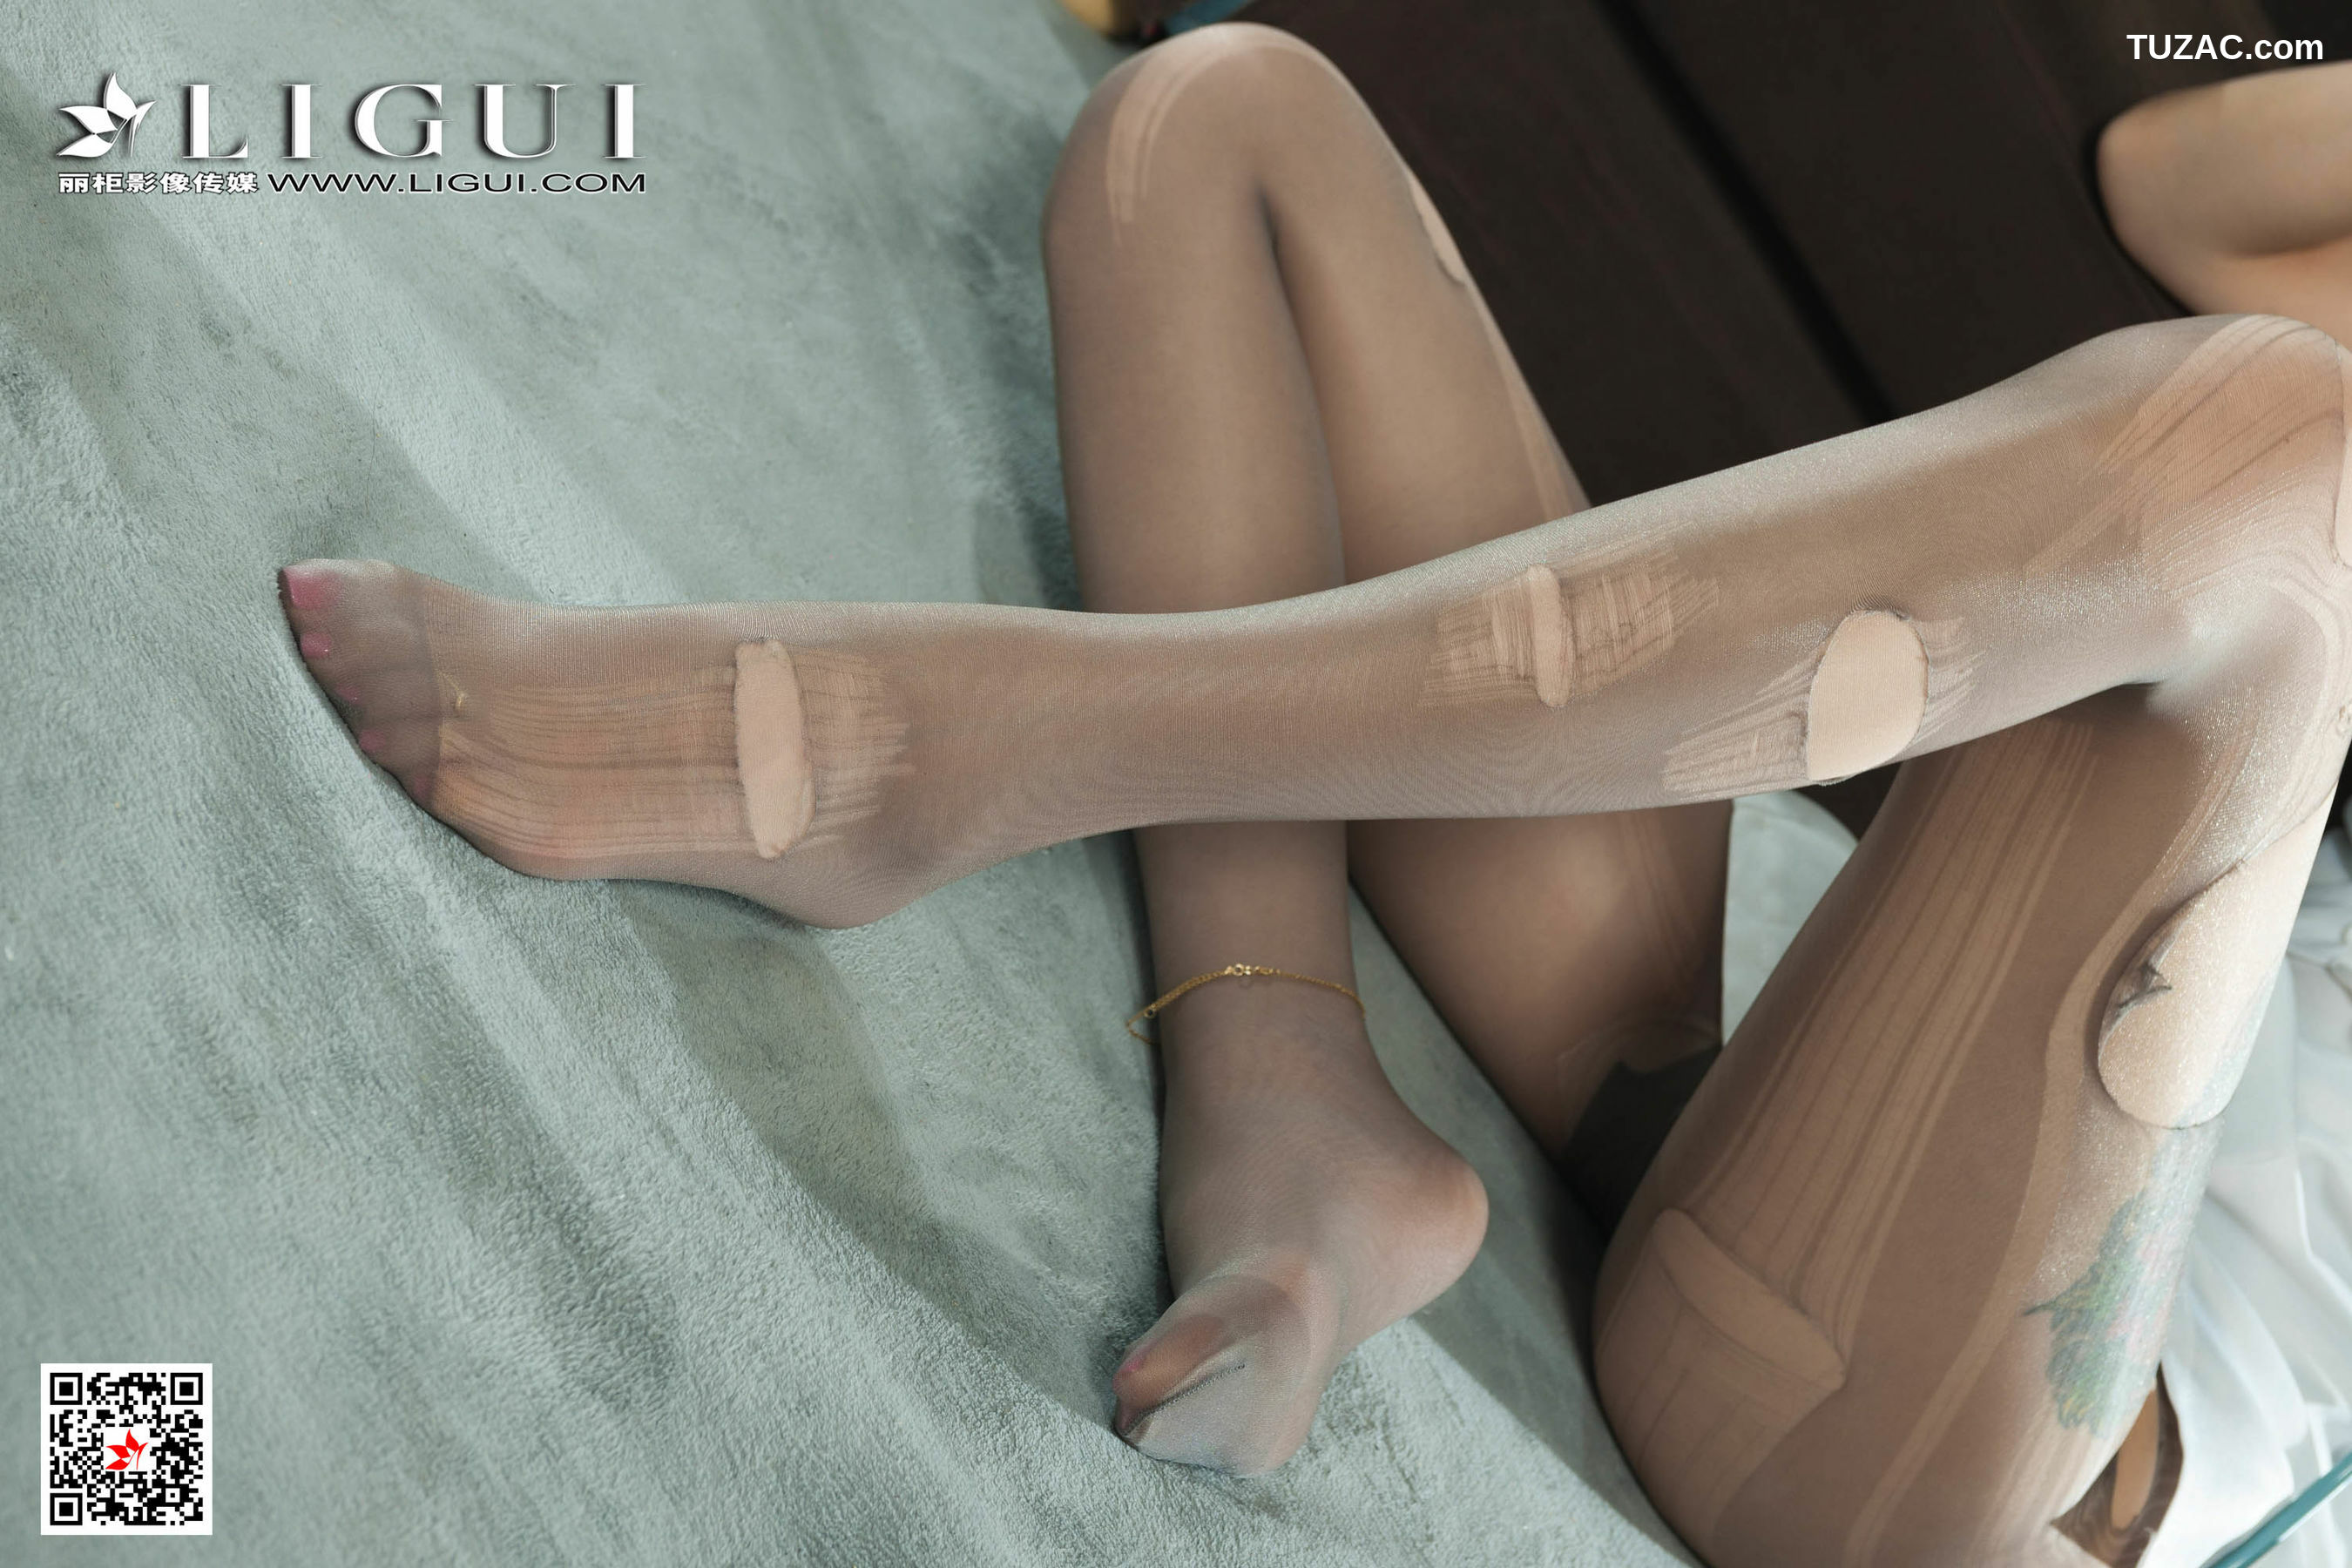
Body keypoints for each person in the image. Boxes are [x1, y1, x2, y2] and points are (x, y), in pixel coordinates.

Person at [276, 27, 2352, 1566]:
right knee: (1222, 118)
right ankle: (1284, 1090)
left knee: (2282, 456)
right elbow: (2192, 180)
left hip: (2010, 1461)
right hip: (1765, 1095)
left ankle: (947, 742)